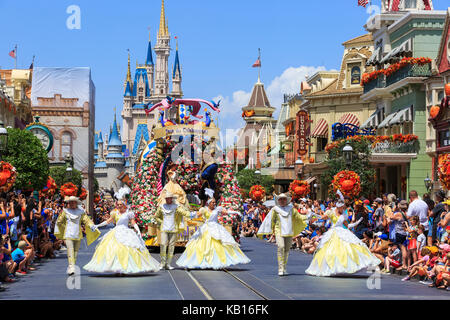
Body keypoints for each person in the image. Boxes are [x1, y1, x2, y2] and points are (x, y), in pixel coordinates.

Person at [305, 192, 380, 277]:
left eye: (343, 207)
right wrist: (313, 214)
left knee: (349, 248)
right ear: (338, 206)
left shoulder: (344, 214)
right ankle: (331, 268)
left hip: (343, 232)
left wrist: (357, 222)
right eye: (341, 207)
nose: (342, 209)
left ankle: (345, 267)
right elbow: (322, 218)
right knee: (330, 251)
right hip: (333, 232)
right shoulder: (330, 212)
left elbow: (348, 225)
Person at [84, 200, 159, 274]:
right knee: (113, 249)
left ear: (124, 205)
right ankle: (116, 267)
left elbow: (133, 223)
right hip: (116, 232)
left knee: (129, 249)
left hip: (126, 232)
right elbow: (108, 221)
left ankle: (126, 267)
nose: (119, 206)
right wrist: (98, 225)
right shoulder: (114, 213)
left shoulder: (128, 214)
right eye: (118, 204)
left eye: (121, 204)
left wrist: (138, 230)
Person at [176, 197, 250, 269]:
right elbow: (197, 215)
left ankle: (219, 261)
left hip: (216, 227)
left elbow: (226, 212)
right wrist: (190, 214)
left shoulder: (217, 209)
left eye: (215, 202)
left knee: (220, 244)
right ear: (209, 203)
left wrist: (235, 212)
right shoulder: (204, 210)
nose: (214, 204)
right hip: (206, 228)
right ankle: (202, 261)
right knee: (202, 244)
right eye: (213, 202)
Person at [258, 193, 307, 276]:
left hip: (289, 232)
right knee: (281, 247)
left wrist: (309, 216)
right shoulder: (275, 209)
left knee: (287, 250)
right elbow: (270, 220)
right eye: (280, 199)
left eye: (284, 199)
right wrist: (269, 231)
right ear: (278, 200)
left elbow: (299, 217)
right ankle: (280, 269)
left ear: (286, 200)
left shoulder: (291, 209)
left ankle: (284, 268)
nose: (282, 200)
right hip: (279, 231)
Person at [54, 196, 100, 275]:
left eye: (73, 202)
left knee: (75, 252)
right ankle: (71, 266)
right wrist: (65, 227)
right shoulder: (65, 212)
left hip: (78, 234)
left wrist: (91, 226)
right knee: (70, 250)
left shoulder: (81, 212)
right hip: (68, 234)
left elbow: (86, 220)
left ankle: (72, 266)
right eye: (70, 202)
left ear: (76, 203)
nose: (71, 204)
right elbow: (59, 222)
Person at [155, 192, 191, 270]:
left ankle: (168, 264)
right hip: (164, 229)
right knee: (163, 245)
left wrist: (191, 214)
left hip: (173, 229)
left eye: (169, 198)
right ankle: (162, 263)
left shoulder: (176, 207)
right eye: (167, 198)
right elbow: (156, 217)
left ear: (171, 198)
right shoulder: (161, 207)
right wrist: (162, 222)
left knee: (171, 247)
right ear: (165, 199)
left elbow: (183, 212)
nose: (168, 199)